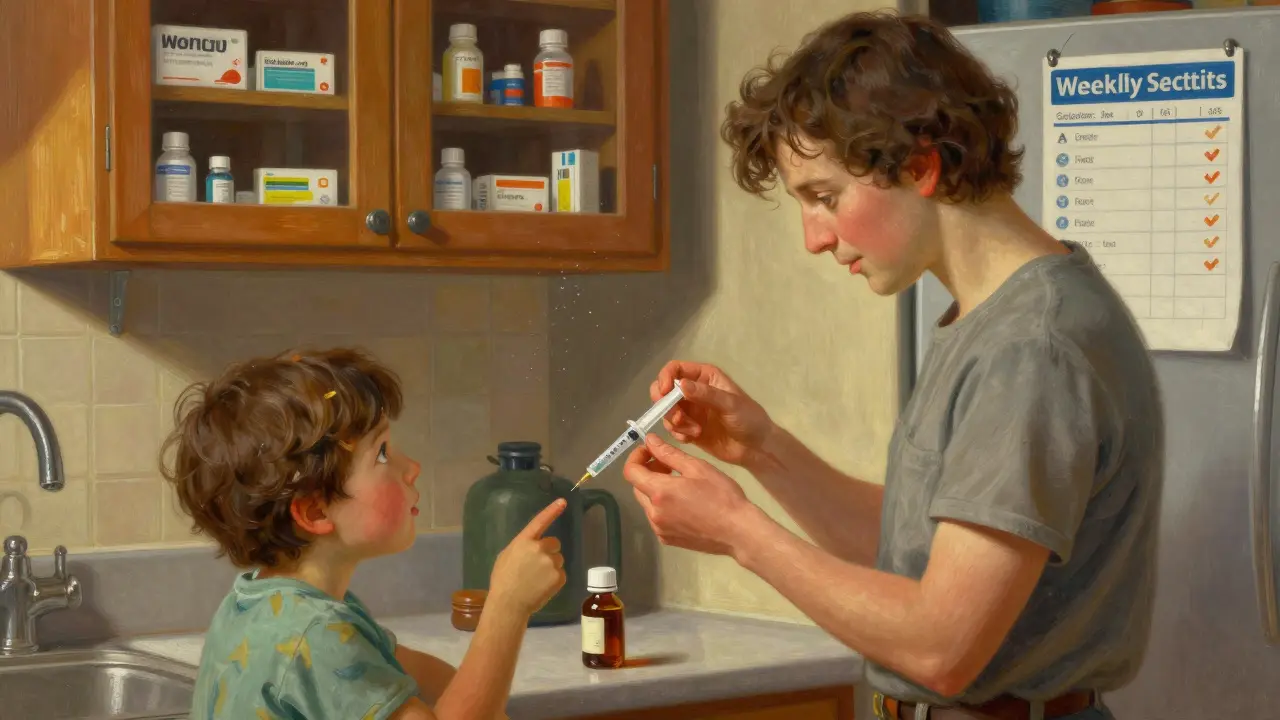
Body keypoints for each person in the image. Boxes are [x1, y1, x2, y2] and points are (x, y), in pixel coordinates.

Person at [622, 11, 1162, 720]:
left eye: (823, 197)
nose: (814, 238)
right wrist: (761, 449)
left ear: (921, 166)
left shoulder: (1034, 348)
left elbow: (943, 646)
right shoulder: (991, 321)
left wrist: (737, 531)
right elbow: (921, 553)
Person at [163, 347, 567, 720]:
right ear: (316, 510)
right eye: (384, 452)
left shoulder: (263, 607)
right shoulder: (313, 634)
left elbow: (421, 674)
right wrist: (507, 608)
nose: (412, 467)